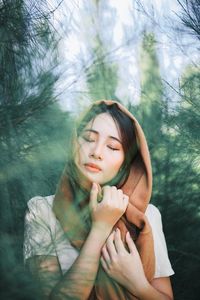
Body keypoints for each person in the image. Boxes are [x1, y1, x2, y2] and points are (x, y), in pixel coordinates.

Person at [23, 100, 174, 300]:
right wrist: (100, 228)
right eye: (88, 138)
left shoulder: (146, 214)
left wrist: (137, 283)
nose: (96, 152)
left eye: (112, 147)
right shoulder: (41, 210)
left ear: (125, 163)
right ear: (74, 144)